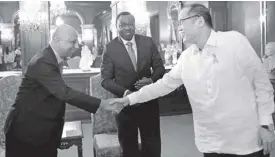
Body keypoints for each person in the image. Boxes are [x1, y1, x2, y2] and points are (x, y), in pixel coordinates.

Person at [110, 4, 275, 157]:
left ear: (200, 21)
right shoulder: (187, 57)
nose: (178, 27)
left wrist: (266, 124)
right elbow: (161, 86)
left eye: (181, 21)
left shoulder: (234, 42)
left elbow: (261, 83)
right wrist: (128, 100)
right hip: (210, 142)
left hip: (244, 140)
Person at [4, 24, 120, 157]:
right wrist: (103, 104)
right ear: (58, 41)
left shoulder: (52, 58)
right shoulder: (43, 61)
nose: (77, 46)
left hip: (42, 129)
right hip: (27, 131)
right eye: (72, 41)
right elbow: (64, 93)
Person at [101, 12, 165, 157]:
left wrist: (151, 80)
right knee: (129, 148)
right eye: (122, 25)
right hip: (125, 106)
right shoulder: (110, 48)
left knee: (152, 145)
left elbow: (160, 68)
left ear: (135, 25)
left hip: (149, 101)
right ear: (116, 27)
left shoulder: (148, 42)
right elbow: (105, 80)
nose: (127, 28)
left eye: (130, 24)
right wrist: (126, 94)